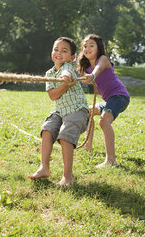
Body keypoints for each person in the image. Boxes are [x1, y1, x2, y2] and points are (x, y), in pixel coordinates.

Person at [28, 37, 89, 185]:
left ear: (71, 57)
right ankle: (44, 168)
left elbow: (66, 74)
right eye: (56, 49)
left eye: (64, 51)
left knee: (65, 135)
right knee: (47, 129)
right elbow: (53, 96)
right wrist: (64, 85)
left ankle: (67, 176)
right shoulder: (49, 74)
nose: (58, 53)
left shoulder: (68, 68)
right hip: (60, 111)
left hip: (77, 110)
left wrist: (65, 79)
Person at [77, 34, 130, 168]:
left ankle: (111, 160)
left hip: (120, 96)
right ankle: (88, 146)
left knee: (104, 120)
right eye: (85, 46)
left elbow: (98, 69)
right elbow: (84, 75)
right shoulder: (86, 67)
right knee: (88, 111)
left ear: (98, 48)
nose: (87, 48)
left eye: (91, 45)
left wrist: (92, 75)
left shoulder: (103, 59)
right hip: (110, 100)